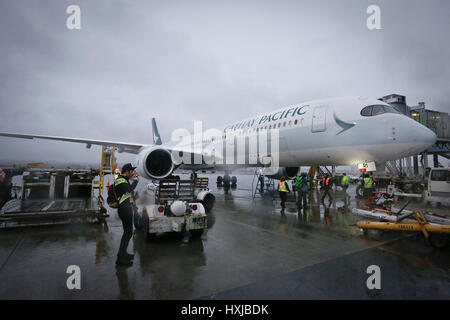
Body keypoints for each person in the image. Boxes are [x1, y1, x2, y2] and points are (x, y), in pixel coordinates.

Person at [114, 163, 139, 266]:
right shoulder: (121, 180)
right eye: (131, 171)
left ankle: (123, 254)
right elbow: (130, 191)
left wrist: (134, 206)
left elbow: (129, 195)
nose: (133, 173)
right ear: (127, 171)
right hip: (124, 210)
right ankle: (120, 258)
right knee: (127, 233)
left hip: (127, 209)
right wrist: (136, 182)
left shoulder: (125, 180)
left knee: (127, 233)